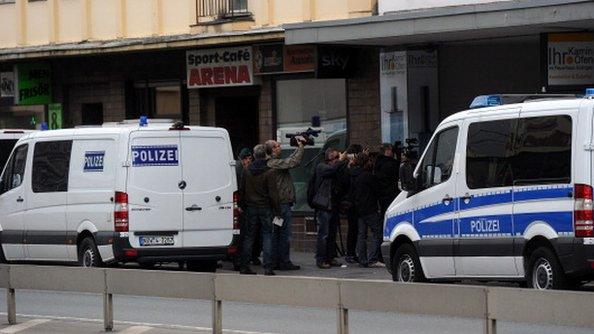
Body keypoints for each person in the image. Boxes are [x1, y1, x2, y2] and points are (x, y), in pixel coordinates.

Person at [238, 144, 281, 276]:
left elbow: (242, 190)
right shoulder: (270, 171)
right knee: (267, 236)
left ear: (254, 155)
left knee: (249, 237)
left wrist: (242, 205)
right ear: (265, 155)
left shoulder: (246, 170)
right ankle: (268, 268)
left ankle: (244, 266)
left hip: (250, 208)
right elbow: (273, 193)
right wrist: (277, 210)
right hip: (266, 208)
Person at [265, 136, 306, 271]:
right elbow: (292, 162)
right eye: (277, 146)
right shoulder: (272, 163)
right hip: (281, 204)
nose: (280, 147)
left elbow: (289, 160)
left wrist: (298, 148)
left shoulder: (275, 162)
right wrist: (300, 148)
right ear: (272, 150)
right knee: (283, 235)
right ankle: (283, 261)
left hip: (280, 204)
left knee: (277, 234)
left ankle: (277, 261)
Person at [312, 147, 347, 269]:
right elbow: (331, 170)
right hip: (324, 205)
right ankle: (321, 259)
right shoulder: (322, 167)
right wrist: (340, 161)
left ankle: (330, 257)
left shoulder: (336, 167)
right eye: (336, 157)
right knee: (324, 234)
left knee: (332, 233)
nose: (338, 159)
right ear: (329, 158)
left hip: (333, 205)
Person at [352, 153, 384, 267]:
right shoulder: (369, 176)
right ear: (366, 162)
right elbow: (378, 190)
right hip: (370, 208)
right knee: (378, 232)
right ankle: (373, 258)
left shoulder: (355, 175)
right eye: (369, 161)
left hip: (359, 209)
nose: (371, 163)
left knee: (362, 234)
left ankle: (362, 259)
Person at [341, 144, 363, 264]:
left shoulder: (348, 168)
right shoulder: (347, 168)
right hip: (351, 203)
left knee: (355, 229)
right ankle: (350, 253)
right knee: (354, 229)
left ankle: (352, 253)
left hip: (352, 202)